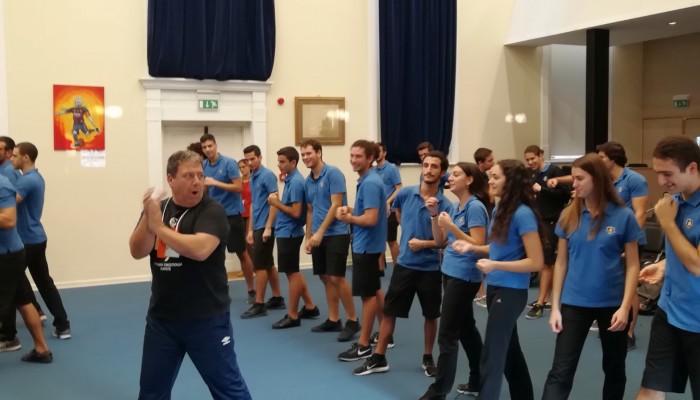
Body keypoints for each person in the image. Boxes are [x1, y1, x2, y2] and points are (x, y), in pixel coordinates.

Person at [129, 150, 251, 400]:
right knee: (151, 392)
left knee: (229, 391)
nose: (197, 181)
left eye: (200, 175)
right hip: (162, 319)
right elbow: (137, 250)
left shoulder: (212, 211)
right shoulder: (158, 210)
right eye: (188, 175)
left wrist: (158, 227)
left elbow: (200, 250)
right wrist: (148, 217)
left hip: (206, 319)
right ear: (171, 179)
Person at [542, 153, 641, 399]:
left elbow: (632, 265)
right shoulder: (568, 215)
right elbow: (561, 263)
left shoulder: (623, 216)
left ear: (596, 179)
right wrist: (555, 307)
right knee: (561, 371)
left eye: (578, 179)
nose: (573, 184)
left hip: (613, 306)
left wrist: (625, 306)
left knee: (615, 369)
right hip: (574, 304)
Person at [452, 159, 544, 400]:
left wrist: (495, 264)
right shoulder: (501, 210)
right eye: (490, 176)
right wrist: (472, 249)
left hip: (511, 292)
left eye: (495, 177)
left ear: (510, 181)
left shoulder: (523, 214)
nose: (489, 181)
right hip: (495, 288)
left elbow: (536, 262)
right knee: (511, 352)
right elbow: (496, 249)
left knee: (492, 355)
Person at [354, 150, 451, 377]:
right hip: (405, 265)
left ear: (442, 172)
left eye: (434, 166)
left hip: (430, 268)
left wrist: (424, 244)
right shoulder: (405, 194)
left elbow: (443, 241)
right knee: (390, 312)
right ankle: (379, 357)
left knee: (430, 315)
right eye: (425, 165)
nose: (428, 170)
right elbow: (397, 213)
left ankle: (428, 357)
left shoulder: (445, 204)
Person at [636, 136, 700, 400]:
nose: (661, 182)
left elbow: (697, 265)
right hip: (669, 311)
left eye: (668, 174)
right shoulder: (675, 201)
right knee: (650, 389)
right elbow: (684, 250)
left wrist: (668, 224)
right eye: (657, 173)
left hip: (697, 321)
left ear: (693, 168)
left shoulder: (667, 212)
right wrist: (664, 265)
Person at [419, 162, 490, 399]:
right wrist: (434, 216)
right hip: (450, 271)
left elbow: (479, 245)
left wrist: (451, 226)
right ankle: (479, 379)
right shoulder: (458, 207)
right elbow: (441, 240)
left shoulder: (475, 207)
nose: (450, 177)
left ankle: (438, 391)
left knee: (447, 334)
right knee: (466, 329)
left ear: (469, 180)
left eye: (456, 174)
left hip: (465, 276)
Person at [1, 142, 71, 340]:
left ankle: (8, 335)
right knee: (41, 282)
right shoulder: (33, 177)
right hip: (35, 238)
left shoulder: (28, 181)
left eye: (14, 156)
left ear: (26, 158)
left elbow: (9, 203)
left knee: (11, 283)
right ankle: (61, 324)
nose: (11, 159)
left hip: (29, 240)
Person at [300, 138, 360, 342]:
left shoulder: (333, 173)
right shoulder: (308, 181)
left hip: (336, 233)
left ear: (319, 152)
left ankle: (353, 320)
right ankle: (334, 320)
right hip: (318, 235)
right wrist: (309, 236)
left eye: (308, 153)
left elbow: (336, 205)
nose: (305, 157)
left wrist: (320, 232)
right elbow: (310, 210)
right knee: (325, 277)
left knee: (336, 277)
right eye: (303, 154)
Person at [336, 140, 387, 361]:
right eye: (352, 155)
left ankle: (364, 344)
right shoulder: (366, 180)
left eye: (358, 156)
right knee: (374, 291)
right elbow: (367, 210)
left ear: (370, 158)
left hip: (366, 246)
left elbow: (371, 218)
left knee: (367, 296)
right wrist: (352, 210)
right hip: (367, 245)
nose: (354, 160)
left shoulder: (371, 183)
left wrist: (349, 218)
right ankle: (387, 334)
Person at [597, 141, 648, 350]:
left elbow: (641, 213)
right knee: (614, 284)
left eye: (601, 157)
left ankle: (629, 331)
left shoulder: (634, 179)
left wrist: (627, 240)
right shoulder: (604, 181)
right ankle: (615, 321)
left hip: (630, 241)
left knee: (630, 288)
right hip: (609, 241)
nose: (598, 161)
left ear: (612, 158)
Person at [0, 173, 53, 363]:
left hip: (6, 256)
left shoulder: (2, 185)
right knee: (23, 301)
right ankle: (42, 350)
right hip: (11, 254)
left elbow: (8, 219)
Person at [200, 133, 256, 304]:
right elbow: (205, 189)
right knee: (214, 256)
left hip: (232, 216)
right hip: (213, 217)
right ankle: (219, 291)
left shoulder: (229, 163)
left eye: (210, 146)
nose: (208, 149)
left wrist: (215, 183)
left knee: (241, 253)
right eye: (204, 147)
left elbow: (238, 187)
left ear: (216, 145)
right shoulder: (203, 165)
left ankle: (252, 290)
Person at [268, 147, 320, 329]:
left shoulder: (297, 182)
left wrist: (276, 203)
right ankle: (310, 306)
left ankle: (292, 315)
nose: (279, 165)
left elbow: (297, 212)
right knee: (293, 272)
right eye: (279, 161)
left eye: (282, 161)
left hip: (289, 232)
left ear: (293, 162)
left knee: (293, 274)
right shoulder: (291, 180)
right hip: (286, 231)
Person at [524, 145, 570, 320]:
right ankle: (546, 298)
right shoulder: (533, 174)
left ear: (541, 155)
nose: (530, 162)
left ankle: (541, 304)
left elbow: (565, 196)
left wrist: (542, 189)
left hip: (552, 223)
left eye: (532, 158)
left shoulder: (554, 171)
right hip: (539, 222)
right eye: (527, 160)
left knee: (546, 264)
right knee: (546, 263)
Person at [240, 145, 285, 318]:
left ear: (260, 157)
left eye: (253, 159)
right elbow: (253, 205)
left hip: (267, 226)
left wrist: (267, 227)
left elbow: (275, 201)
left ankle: (259, 304)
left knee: (259, 265)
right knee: (267, 263)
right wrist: (250, 229)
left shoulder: (267, 175)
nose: (250, 162)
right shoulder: (252, 176)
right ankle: (277, 297)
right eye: (247, 160)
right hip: (257, 225)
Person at [473, 147, 496, 309]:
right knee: (479, 252)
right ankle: (480, 292)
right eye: (490, 160)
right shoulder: (478, 177)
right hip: (481, 218)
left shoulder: (483, 176)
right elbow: (488, 196)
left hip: (487, 215)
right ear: (480, 163)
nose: (493, 162)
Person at [375, 142, 402, 270]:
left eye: (378, 151)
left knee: (391, 241)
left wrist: (387, 201)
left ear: (384, 153)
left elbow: (399, 188)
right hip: (377, 212)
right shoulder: (373, 171)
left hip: (390, 211)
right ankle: (379, 271)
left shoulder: (391, 168)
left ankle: (398, 270)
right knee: (378, 242)